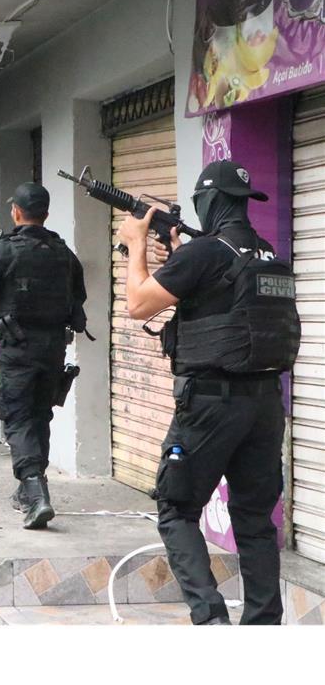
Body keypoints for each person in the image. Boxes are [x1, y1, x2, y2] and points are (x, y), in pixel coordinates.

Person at [118, 159, 299, 625]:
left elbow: (138, 304)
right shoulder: (264, 253)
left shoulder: (202, 255)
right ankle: (262, 627)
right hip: (264, 405)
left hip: (210, 405)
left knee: (177, 508)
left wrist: (136, 243)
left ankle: (212, 619)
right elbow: (221, 300)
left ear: (207, 201)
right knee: (255, 521)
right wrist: (178, 253)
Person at [0, 183, 87, 529]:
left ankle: (35, 490)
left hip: (18, 347)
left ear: (16, 212)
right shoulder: (63, 253)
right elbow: (78, 295)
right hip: (53, 348)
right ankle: (28, 489)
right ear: (45, 213)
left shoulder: (4, 250)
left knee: (17, 416)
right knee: (39, 414)